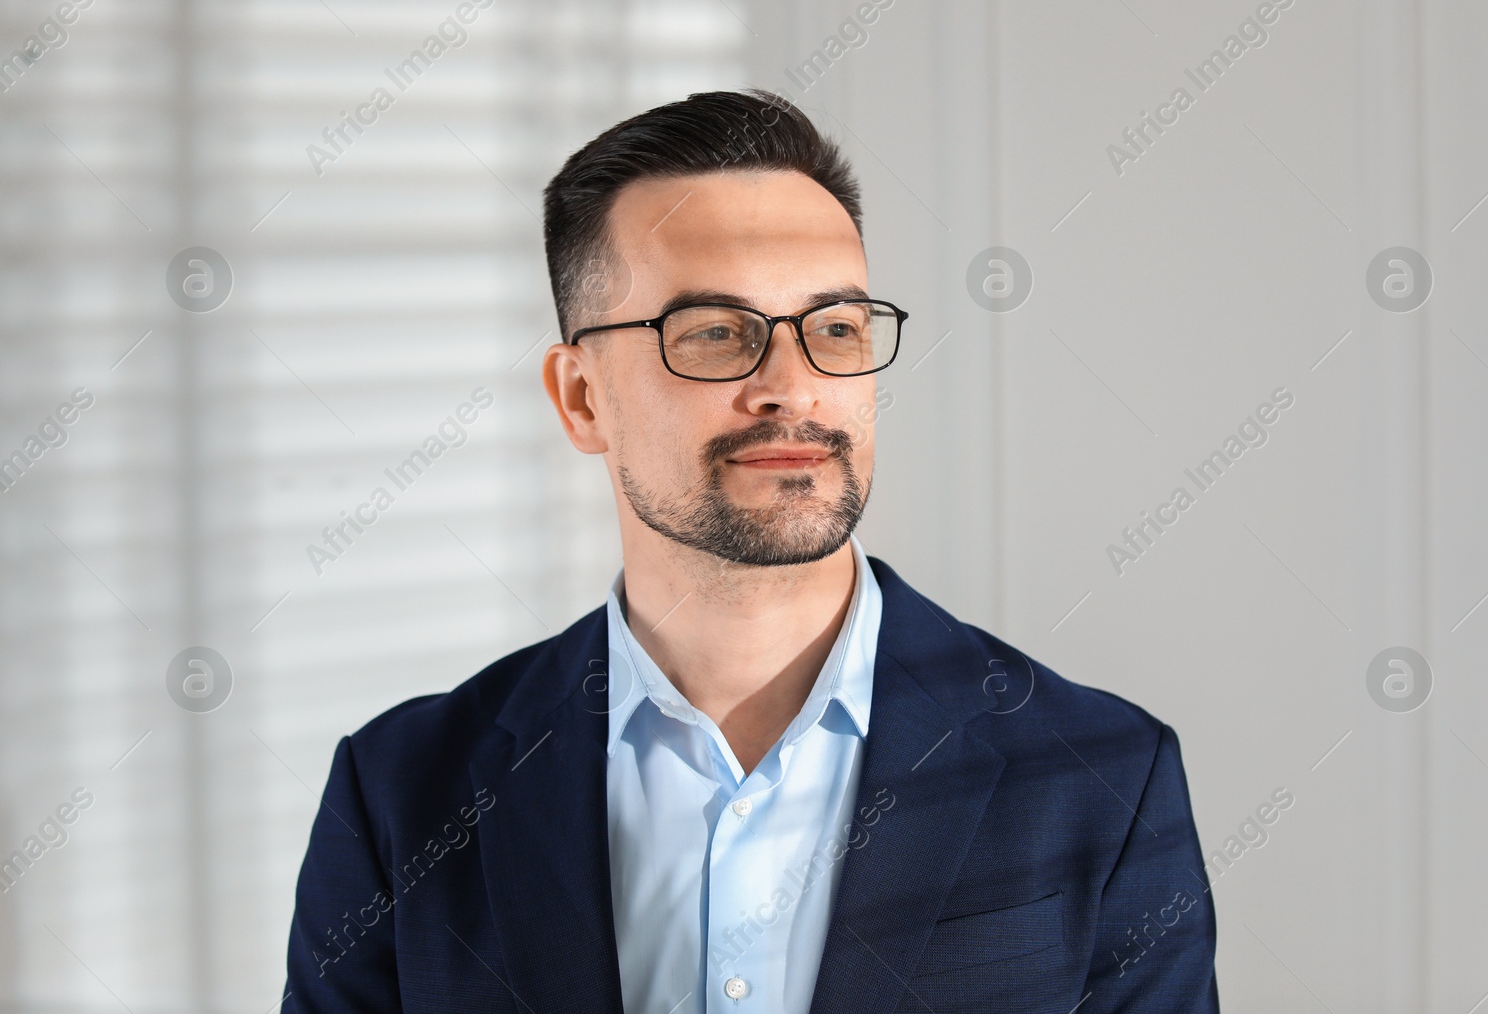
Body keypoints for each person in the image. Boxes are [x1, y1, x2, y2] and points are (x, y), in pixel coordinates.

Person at [283, 89, 1219, 1013]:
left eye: (836, 328)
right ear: (580, 398)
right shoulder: (401, 796)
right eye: (716, 333)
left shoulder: (1104, 776)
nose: (793, 386)